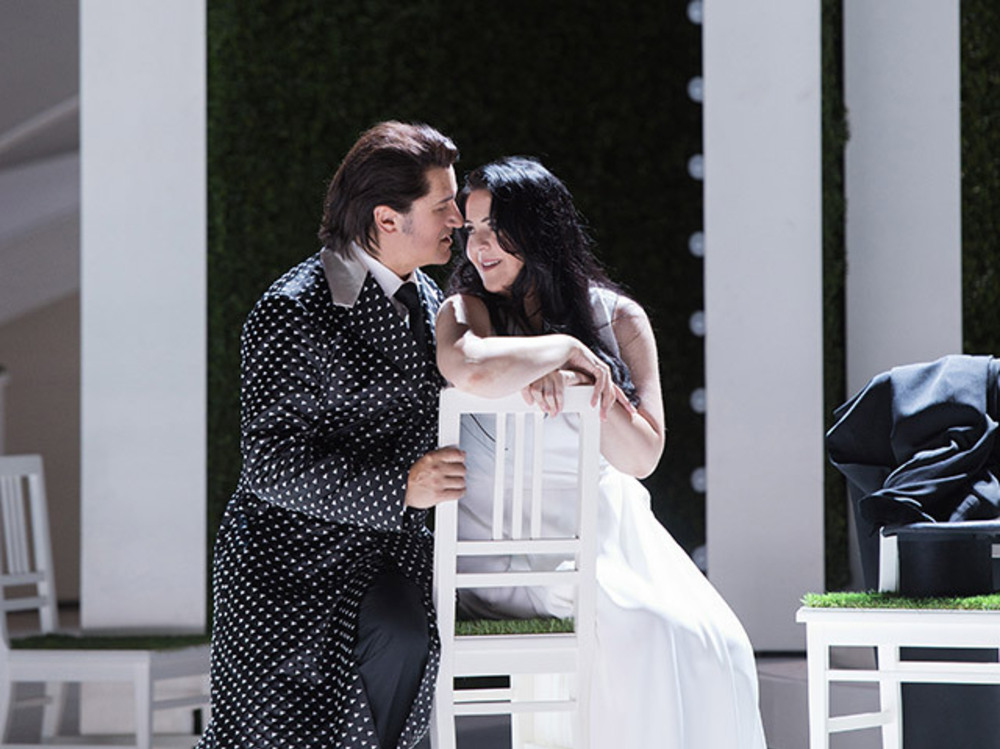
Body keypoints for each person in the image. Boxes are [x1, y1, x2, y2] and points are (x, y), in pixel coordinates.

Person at [435, 156, 768, 748]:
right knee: (646, 628)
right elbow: (468, 368)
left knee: (716, 641)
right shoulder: (466, 311)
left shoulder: (619, 319)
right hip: (506, 552)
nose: (478, 247)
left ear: (539, 230)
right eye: (472, 230)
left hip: (610, 532)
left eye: (496, 230)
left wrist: (589, 385)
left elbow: (642, 458)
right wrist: (555, 350)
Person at [197, 121, 467, 749]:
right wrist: (401, 487)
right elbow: (270, 465)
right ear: (387, 218)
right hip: (288, 569)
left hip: (386, 560)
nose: (459, 219)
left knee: (405, 638)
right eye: (443, 205)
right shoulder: (292, 308)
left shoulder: (432, 299)